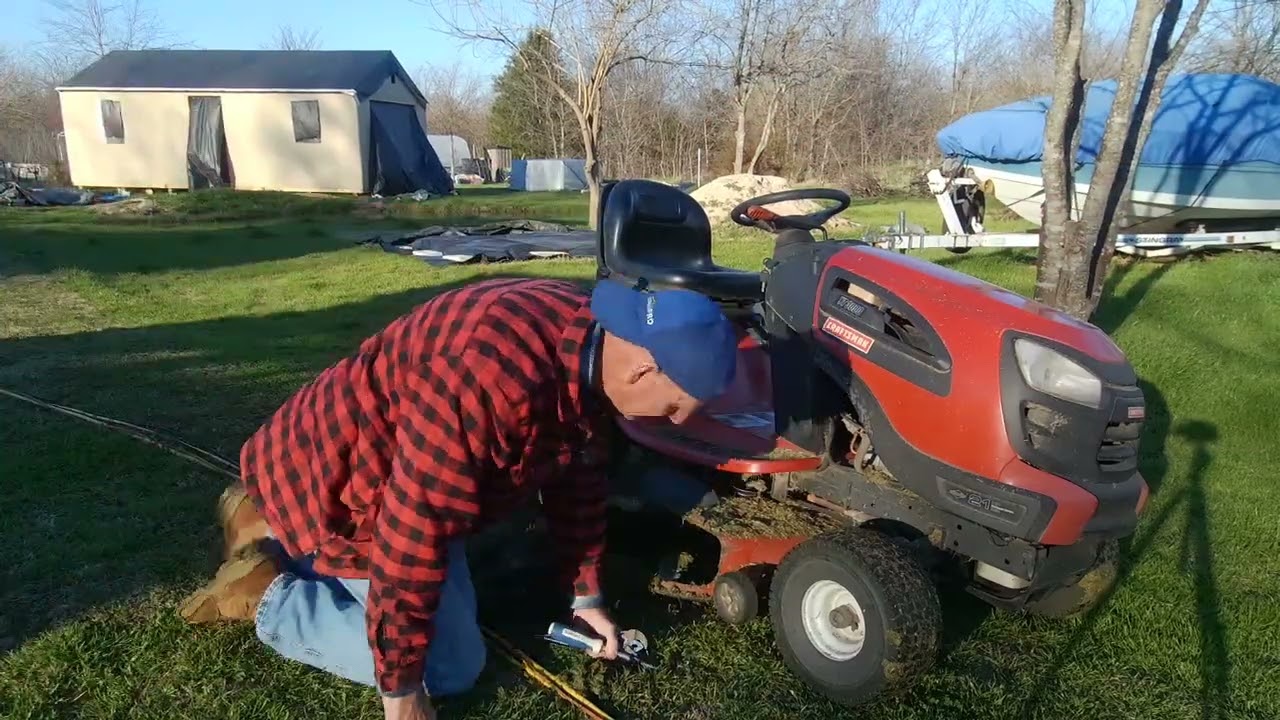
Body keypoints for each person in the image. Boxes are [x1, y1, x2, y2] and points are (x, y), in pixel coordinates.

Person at [177, 276, 739, 720]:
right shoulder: (489, 383)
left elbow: (577, 478)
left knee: (457, 605)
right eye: (670, 411)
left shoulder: (591, 340)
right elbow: (412, 531)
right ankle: (266, 593)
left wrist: (586, 598)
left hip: (387, 464)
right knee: (450, 664)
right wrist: (400, 690)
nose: (665, 425)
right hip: (343, 488)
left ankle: (263, 511)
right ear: (643, 369)